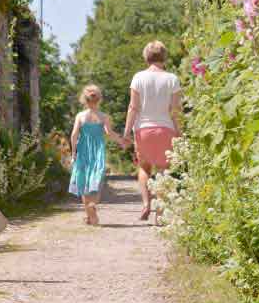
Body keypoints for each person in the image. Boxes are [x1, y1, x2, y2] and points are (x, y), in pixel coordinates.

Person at [123, 41, 183, 221]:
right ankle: (161, 211)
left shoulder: (138, 78)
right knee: (165, 170)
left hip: (143, 130)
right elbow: (176, 110)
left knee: (144, 167)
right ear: (164, 56)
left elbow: (133, 107)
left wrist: (126, 132)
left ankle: (146, 203)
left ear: (146, 57)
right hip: (166, 128)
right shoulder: (172, 79)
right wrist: (179, 131)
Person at [69, 85, 127, 225]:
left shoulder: (80, 116)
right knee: (96, 179)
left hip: (83, 151)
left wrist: (73, 154)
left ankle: (90, 215)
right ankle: (93, 205)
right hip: (98, 151)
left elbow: (74, 135)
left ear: (84, 99)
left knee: (83, 180)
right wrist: (121, 141)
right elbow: (109, 133)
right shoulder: (104, 116)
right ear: (99, 99)